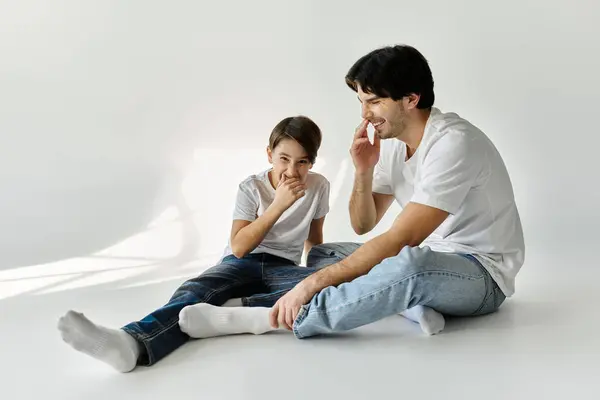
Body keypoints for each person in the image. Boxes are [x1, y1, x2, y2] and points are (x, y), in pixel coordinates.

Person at [179, 44, 525, 340]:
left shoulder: (453, 143)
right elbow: (363, 224)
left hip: (481, 275)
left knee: (409, 266)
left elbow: (401, 240)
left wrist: (309, 286)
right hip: (429, 258)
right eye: (362, 102)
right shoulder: (393, 144)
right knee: (324, 255)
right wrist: (363, 169)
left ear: (411, 99)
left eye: (373, 102)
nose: (365, 114)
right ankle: (404, 304)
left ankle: (264, 318)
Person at [57, 115, 331, 372]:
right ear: (269, 155)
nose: (291, 171)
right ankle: (132, 343)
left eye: (302, 162)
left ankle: (231, 309)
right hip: (242, 261)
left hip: (284, 267)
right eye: (284, 159)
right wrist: (278, 206)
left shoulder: (318, 186)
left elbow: (314, 238)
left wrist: (314, 275)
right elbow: (239, 246)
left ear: (312, 163)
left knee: (328, 288)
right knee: (195, 291)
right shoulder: (251, 187)